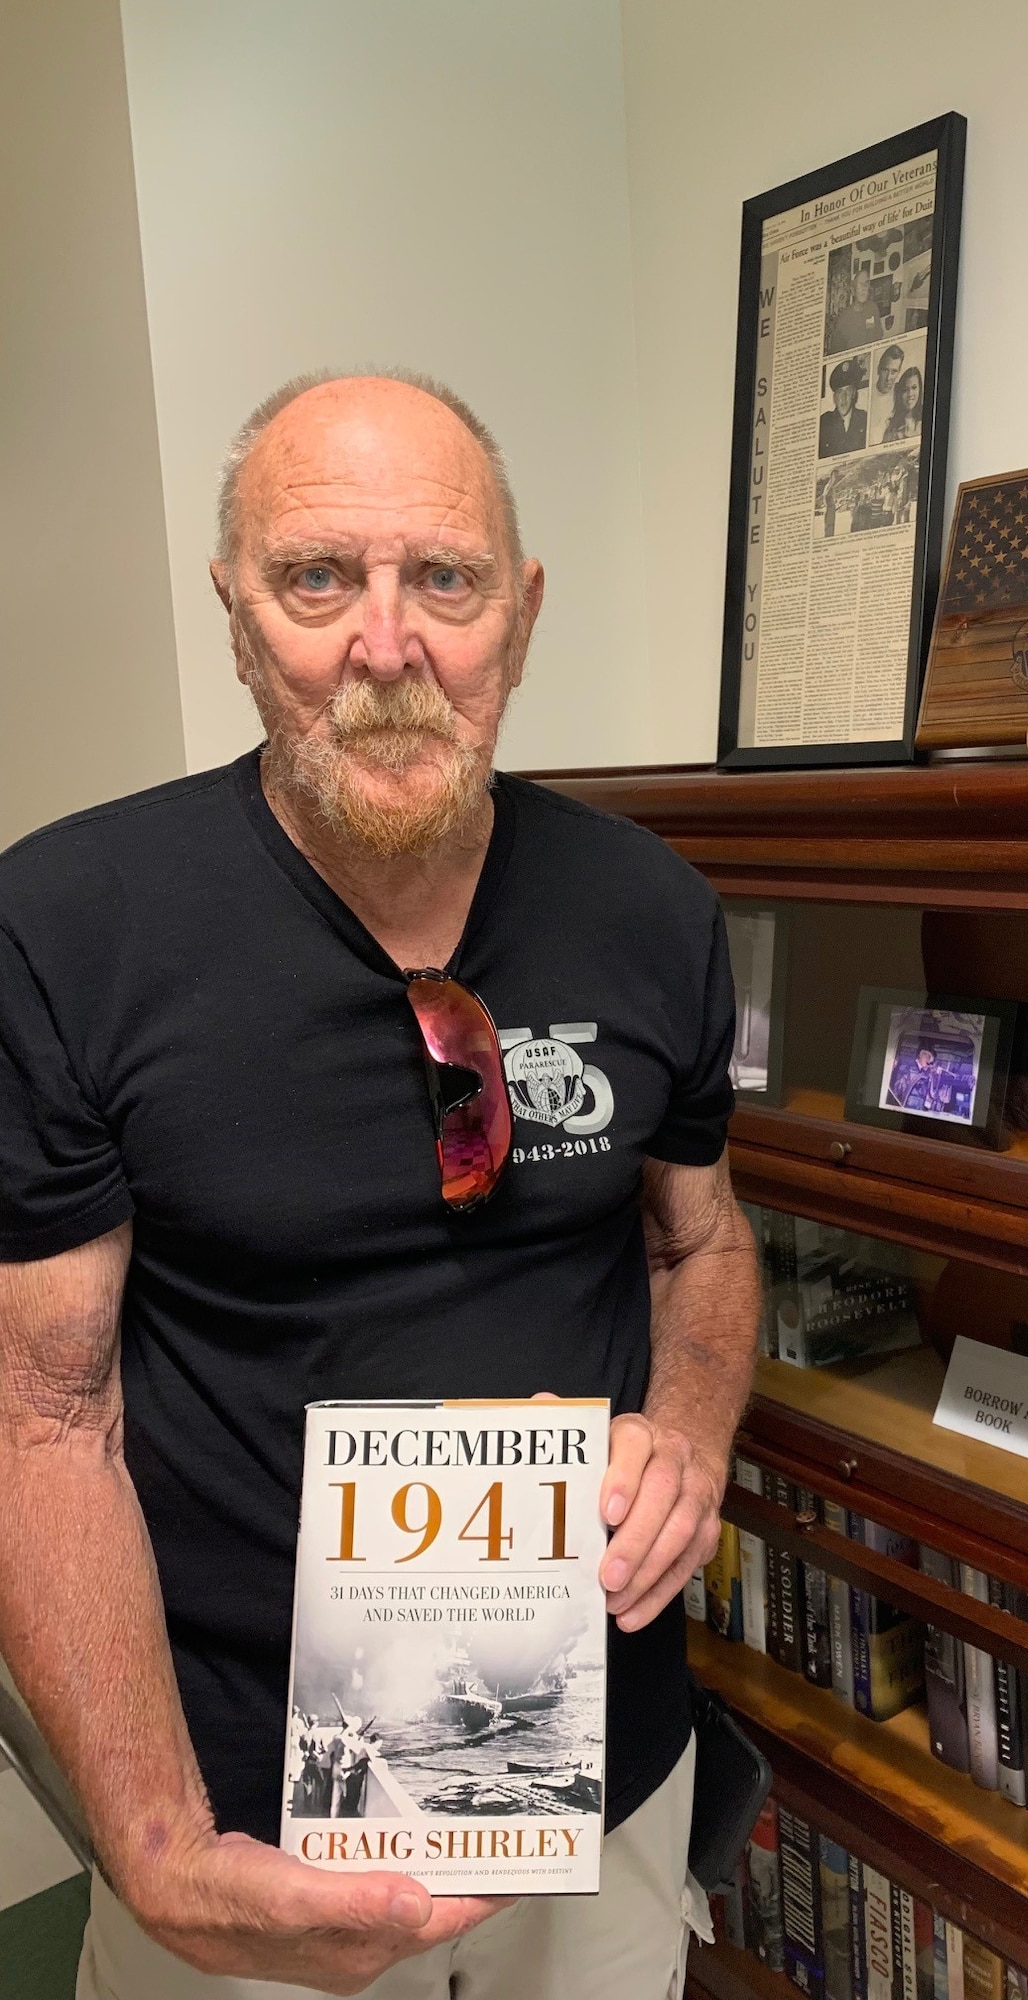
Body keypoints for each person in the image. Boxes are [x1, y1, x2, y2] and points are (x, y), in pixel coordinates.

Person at [0, 370, 761, 1999]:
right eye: (318, 578)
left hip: (596, 1778)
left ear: (523, 609)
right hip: (239, 1833)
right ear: (232, 605)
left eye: (448, 580)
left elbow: (701, 1242)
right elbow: (40, 1414)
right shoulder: (68, 929)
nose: (388, 647)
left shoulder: (653, 914)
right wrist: (149, 1844)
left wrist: (693, 1433)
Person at [818, 358, 867, 458]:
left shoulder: (864, 418)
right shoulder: (823, 422)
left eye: (848, 391)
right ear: (834, 397)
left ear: (854, 394)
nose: (843, 398)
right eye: (840, 392)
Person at [825, 266, 881, 353]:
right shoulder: (844, 318)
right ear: (853, 290)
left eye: (866, 283)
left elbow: (877, 334)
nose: (863, 288)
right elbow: (836, 350)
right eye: (860, 284)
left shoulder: (872, 308)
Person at [867, 343, 904, 442]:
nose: (888, 378)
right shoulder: (864, 396)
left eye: (894, 371)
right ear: (878, 369)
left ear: (899, 372)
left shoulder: (901, 397)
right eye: (885, 370)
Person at [881, 366, 923, 443]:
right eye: (905, 390)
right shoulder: (892, 428)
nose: (910, 394)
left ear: (920, 389)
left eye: (914, 388)